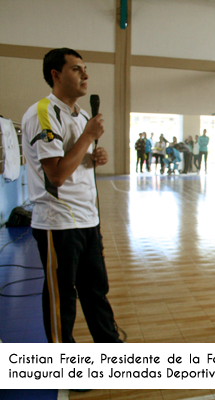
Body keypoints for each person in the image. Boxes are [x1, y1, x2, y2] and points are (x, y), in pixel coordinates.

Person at [22, 47, 122, 343]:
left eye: (85, 68)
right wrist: (89, 137)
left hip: (87, 220)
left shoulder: (82, 115)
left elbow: (73, 160)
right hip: (58, 223)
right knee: (62, 298)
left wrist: (93, 157)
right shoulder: (44, 113)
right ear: (56, 74)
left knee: (95, 290)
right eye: (77, 69)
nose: (85, 75)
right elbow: (56, 175)